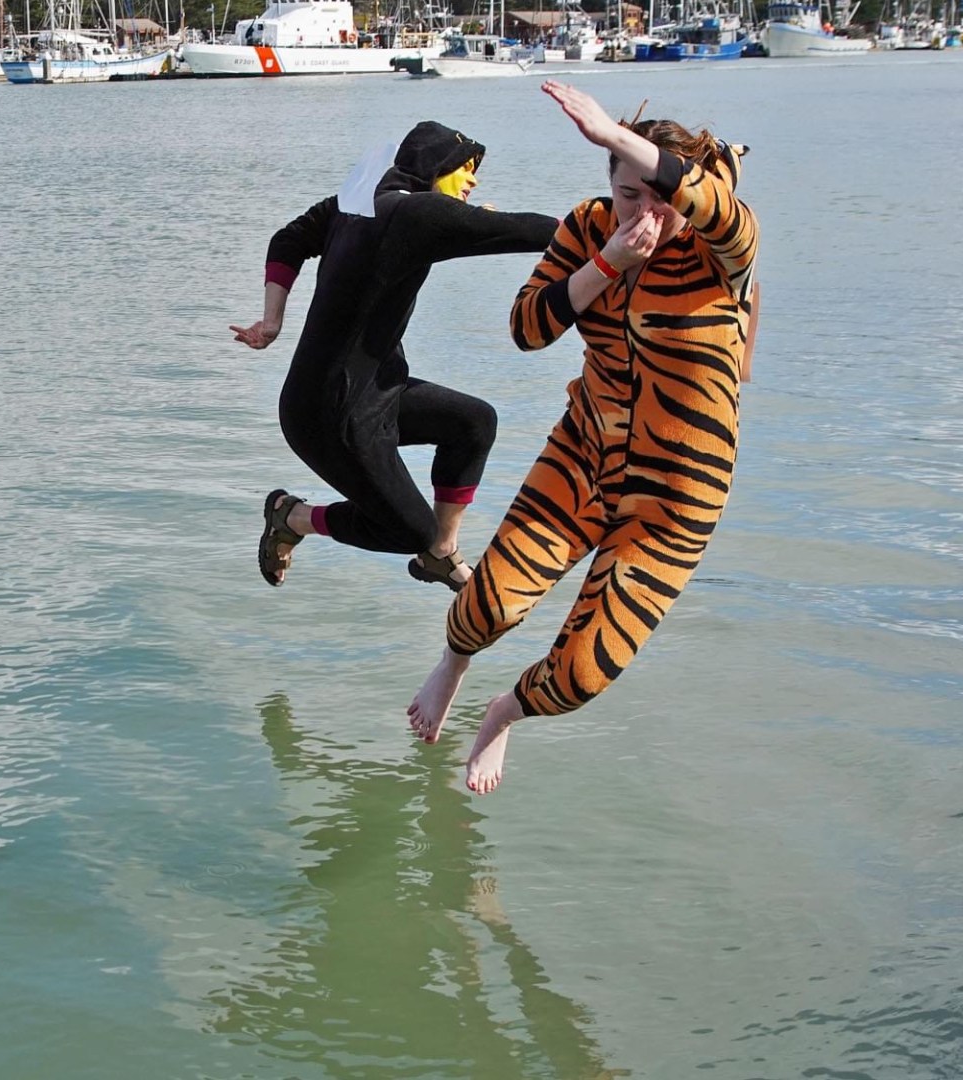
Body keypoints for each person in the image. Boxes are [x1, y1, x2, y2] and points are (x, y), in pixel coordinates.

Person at [407, 81, 761, 794]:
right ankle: (454, 664)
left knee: (583, 673)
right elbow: (527, 328)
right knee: (489, 604)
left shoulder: (724, 246)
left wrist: (615, 136)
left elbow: (707, 202)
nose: (647, 212)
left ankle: (502, 715)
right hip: (585, 455)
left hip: (674, 500)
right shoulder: (589, 228)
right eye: (629, 195)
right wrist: (608, 265)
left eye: (660, 194)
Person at [232, 121, 557, 591]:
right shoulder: (413, 215)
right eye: (466, 168)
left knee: (473, 422)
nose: (473, 180)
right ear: (435, 166)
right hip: (328, 416)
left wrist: (273, 319)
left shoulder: (358, 202)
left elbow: (289, 238)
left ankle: (440, 555)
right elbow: (522, 230)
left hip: (373, 394)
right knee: (407, 530)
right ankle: (294, 516)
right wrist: (604, 229)